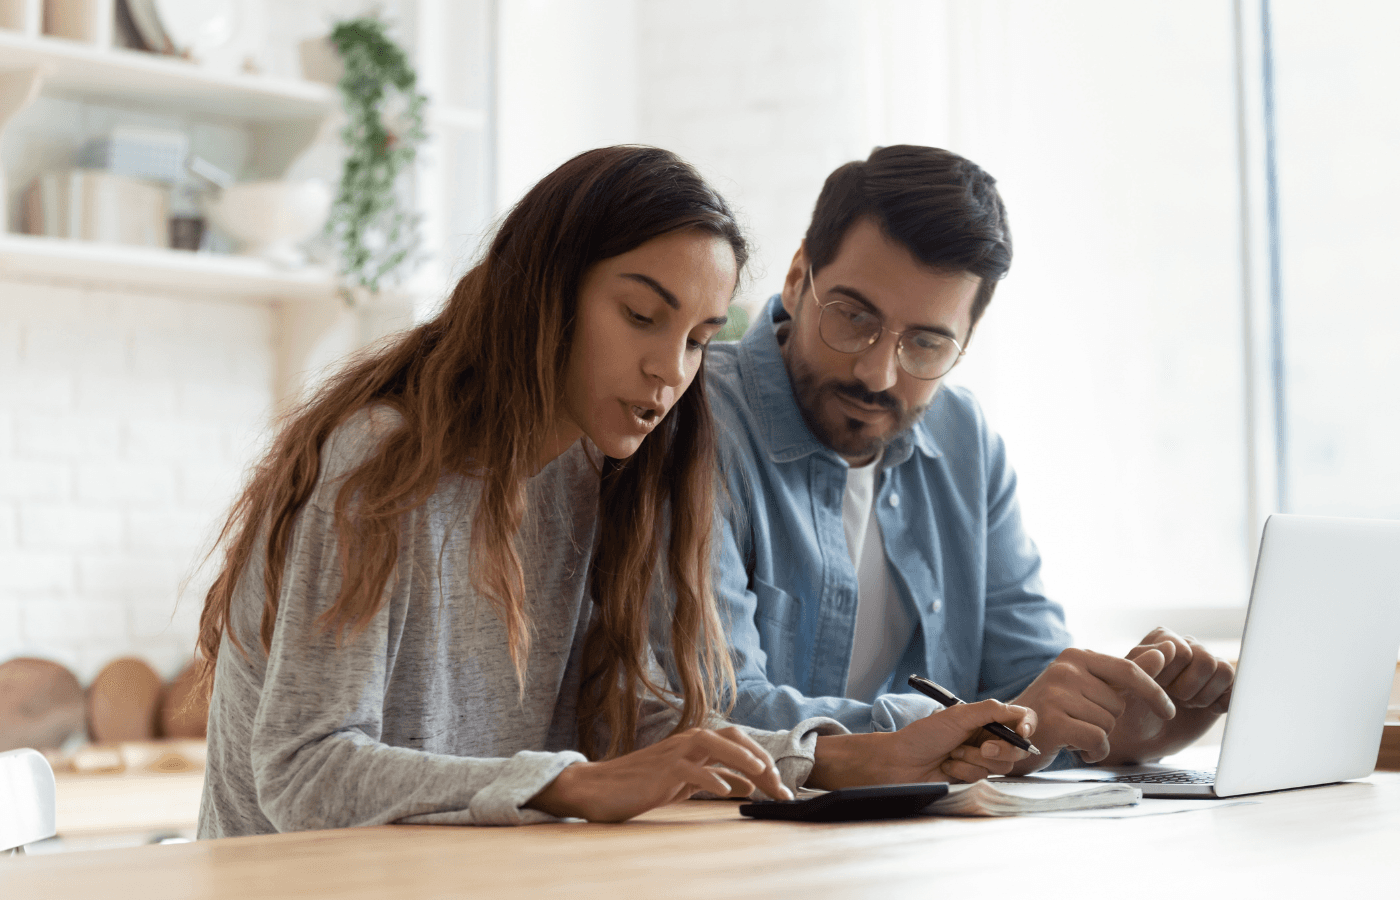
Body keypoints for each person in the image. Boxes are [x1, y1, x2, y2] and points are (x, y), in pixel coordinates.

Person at [193, 145, 1039, 838]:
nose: (669, 372)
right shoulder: (380, 461)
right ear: (547, 291)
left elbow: (638, 730)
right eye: (641, 316)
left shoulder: (603, 480)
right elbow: (304, 773)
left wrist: (861, 756)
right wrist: (569, 787)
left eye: (700, 340)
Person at [697, 145, 1234, 775]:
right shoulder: (696, 419)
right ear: (797, 276)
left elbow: (1030, 684)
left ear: (967, 340)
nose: (877, 371)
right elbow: (715, 711)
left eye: (926, 343)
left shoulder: (964, 440)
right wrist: (973, 729)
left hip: (924, 845)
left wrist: (1132, 717)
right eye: (853, 316)